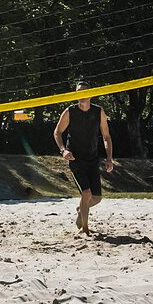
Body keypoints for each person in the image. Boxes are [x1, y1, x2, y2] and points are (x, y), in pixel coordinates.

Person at [52, 82, 115, 235]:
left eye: (84, 91)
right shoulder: (70, 112)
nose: (81, 94)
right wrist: (63, 150)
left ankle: (81, 209)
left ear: (91, 94)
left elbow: (106, 136)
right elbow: (57, 132)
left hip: (93, 159)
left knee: (97, 198)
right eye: (78, 92)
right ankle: (84, 230)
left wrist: (109, 158)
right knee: (86, 193)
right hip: (76, 159)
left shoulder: (98, 111)